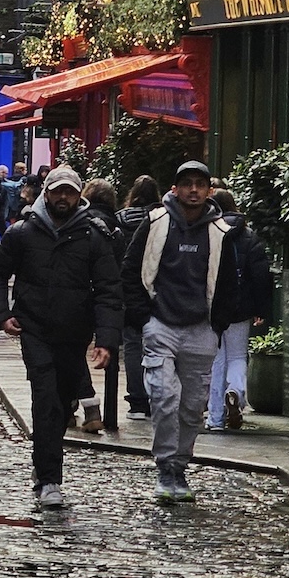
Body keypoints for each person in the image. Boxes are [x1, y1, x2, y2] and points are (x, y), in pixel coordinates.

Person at [0, 165, 122, 509]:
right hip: (35, 329)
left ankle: (43, 462)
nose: (63, 197)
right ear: (46, 193)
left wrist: (105, 339)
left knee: (61, 405)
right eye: (57, 191)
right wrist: (1, 315)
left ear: (79, 196)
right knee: (45, 400)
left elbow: (108, 290)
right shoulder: (23, 232)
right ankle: (49, 479)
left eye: (69, 192)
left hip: (74, 334)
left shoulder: (93, 236)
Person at [121, 160, 237, 503]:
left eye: (200, 184)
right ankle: (166, 466)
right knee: (163, 397)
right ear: (175, 188)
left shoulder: (219, 232)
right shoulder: (156, 222)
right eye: (187, 184)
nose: (193, 190)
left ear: (209, 190)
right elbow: (130, 269)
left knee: (191, 406)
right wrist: (143, 317)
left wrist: (218, 324)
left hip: (201, 327)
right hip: (161, 324)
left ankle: (180, 466)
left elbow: (229, 281)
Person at [205, 187, 273, 431]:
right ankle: (235, 391)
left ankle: (214, 419)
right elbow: (260, 275)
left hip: (213, 307)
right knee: (236, 356)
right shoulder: (249, 236)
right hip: (241, 306)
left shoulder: (209, 232)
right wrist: (261, 308)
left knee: (216, 361)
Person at [72, 178, 126, 432]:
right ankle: (72, 406)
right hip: (111, 299)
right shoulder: (118, 228)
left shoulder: (80, 224)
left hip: (82, 298)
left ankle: (90, 407)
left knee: (72, 353)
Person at [115, 175, 161, 420]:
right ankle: (157, 397)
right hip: (156, 287)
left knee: (132, 344)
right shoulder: (161, 219)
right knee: (157, 344)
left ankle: (137, 401)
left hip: (128, 287)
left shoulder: (121, 219)